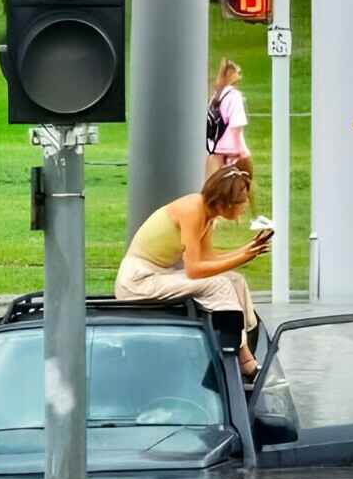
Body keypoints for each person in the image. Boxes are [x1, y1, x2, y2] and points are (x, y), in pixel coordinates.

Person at [114, 160, 270, 378]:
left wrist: (246, 250)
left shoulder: (207, 214)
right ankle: (243, 359)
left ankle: (250, 343)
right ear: (225, 202)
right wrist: (243, 256)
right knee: (219, 285)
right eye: (241, 203)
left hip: (160, 274)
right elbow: (195, 270)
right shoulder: (192, 210)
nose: (244, 208)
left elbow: (207, 258)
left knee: (235, 280)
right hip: (139, 281)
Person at [205, 58, 251, 178]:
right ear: (231, 75)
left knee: (214, 182)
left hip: (214, 146)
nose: (240, 76)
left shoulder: (216, 96)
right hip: (232, 149)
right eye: (238, 72)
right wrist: (243, 150)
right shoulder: (234, 96)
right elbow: (237, 125)